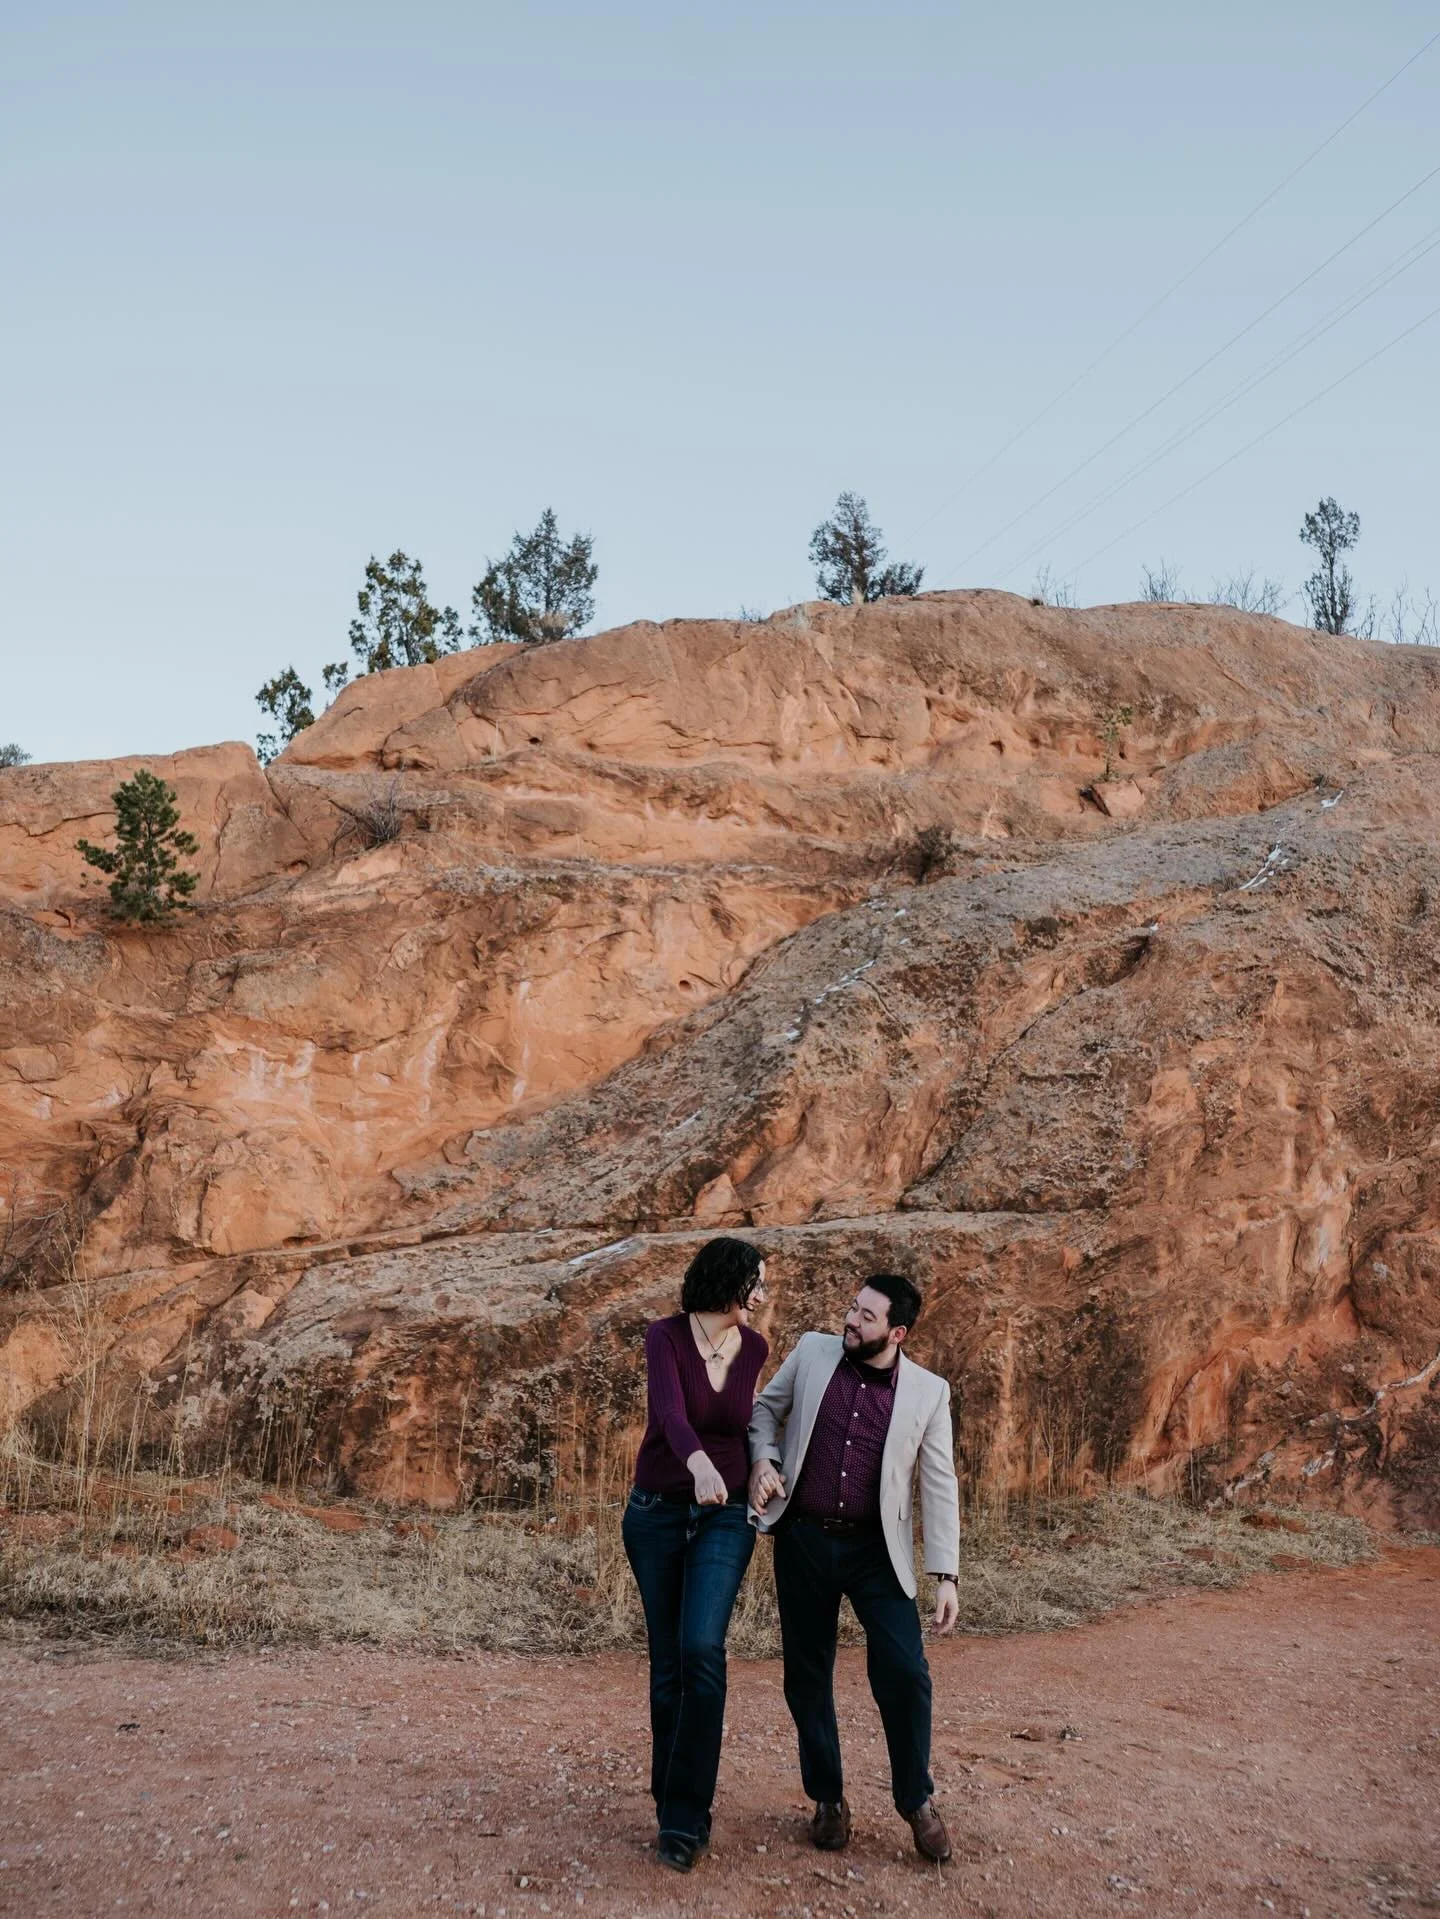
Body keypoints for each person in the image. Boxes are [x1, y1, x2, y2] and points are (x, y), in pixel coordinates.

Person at [747, 1272, 961, 1863]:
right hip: (804, 1542)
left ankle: (916, 1800)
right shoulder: (814, 1352)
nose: (851, 1320)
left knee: (905, 1672)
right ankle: (828, 1799)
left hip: (877, 1552)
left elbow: (939, 1485)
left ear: (896, 1332)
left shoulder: (928, 1391)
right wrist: (762, 1462)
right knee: (807, 1676)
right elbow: (764, 1413)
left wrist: (947, 1574)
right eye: (852, 1308)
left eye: (866, 1317)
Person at [621, 1236, 770, 1874]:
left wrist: (759, 1466)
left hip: (726, 1515)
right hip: (656, 1512)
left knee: (702, 1649)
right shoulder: (665, 1337)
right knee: (667, 1665)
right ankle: (670, 1799)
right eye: (757, 1282)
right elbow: (671, 1416)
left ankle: (685, 1816)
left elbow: (751, 1421)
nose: (763, 1294)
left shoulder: (755, 1347)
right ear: (730, 1284)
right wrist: (697, 1463)